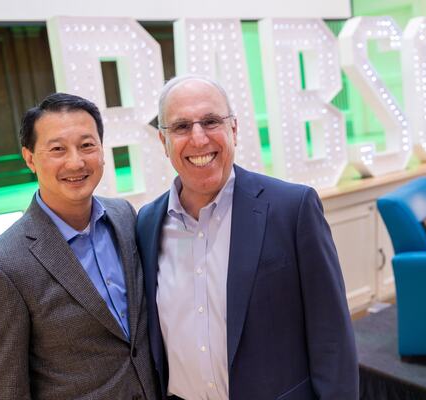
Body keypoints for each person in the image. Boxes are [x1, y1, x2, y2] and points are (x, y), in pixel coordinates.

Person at [136, 76, 358, 400]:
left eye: (211, 121)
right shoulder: (147, 223)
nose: (198, 139)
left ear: (234, 130)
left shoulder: (292, 209)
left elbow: (332, 339)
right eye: (181, 127)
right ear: (163, 141)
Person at [0, 93, 158, 400]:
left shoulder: (124, 217)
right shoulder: (0, 267)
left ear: (102, 151)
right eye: (57, 149)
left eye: (87, 145)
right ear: (30, 158)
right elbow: (2, 389)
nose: (76, 162)